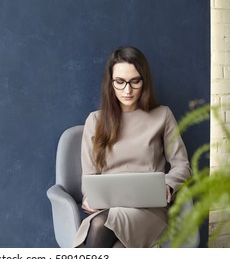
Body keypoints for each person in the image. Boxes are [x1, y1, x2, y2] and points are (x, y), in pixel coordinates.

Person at [73, 46, 191, 248]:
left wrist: (168, 185)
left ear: (144, 81)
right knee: (116, 246)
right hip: (109, 209)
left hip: (149, 212)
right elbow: (89, 176)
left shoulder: (162, 115)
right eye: (120, 82)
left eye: (135, 81)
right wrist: (89, 198)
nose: (127, 90)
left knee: (101, 227)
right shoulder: (95, 120)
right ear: (110, 83)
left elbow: (183, 166)